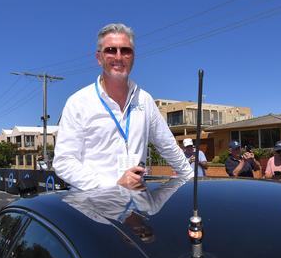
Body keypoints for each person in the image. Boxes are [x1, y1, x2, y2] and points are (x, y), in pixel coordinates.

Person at [53, 23, 193, 191]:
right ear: (99, 58)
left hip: (136, 205)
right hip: (93, 208)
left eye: (125, 51)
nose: (118, 57)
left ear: (133, 57)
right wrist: (112, 186)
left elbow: (168, 146)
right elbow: (64, 161)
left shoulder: (145, 100)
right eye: (111, 50)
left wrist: (193, 181)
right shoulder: (78, 102)